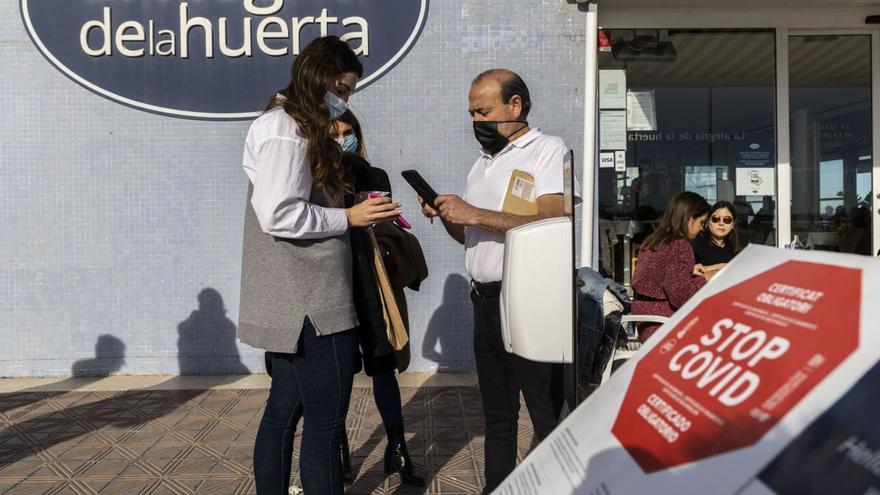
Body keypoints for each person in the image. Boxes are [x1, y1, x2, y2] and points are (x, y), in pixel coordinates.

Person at [238, 36, 401, 495]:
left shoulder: (287, 125)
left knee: (282, 417)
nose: (345, 102)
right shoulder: (285, 131)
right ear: (322, 80)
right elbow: (278, 214)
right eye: (344, 90)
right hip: (312, 305)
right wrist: (348, 216)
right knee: (326, 427)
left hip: (297, 302)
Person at [419, 68, 573, 494]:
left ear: (515, 105)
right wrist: (450, 216)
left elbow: (553, 219)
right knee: (497, 413)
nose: (476, 122)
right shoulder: (483, 163)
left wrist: (475, 213)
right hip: (485, 300)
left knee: (545, 412)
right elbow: (471, 235)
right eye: (471, 113)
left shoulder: (547, 150)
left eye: (483, 112)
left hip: (530, 299)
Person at [333, 110, 425, 487]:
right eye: (336, 133)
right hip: (335, 281)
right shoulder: (315, 177)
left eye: (349, 132)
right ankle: (339, 451)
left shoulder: (374, 175)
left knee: (383, 361)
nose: (343, 139)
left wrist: (389, 219)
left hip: (372, 281)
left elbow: (385, 223)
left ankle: (398, 446)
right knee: (336, 372)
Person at [631, 191, 711, 342]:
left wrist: (690, 271)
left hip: (645, 323)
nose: (702, 228)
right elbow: (681, 296)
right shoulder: (680, 245)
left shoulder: (653, 241)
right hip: (665, 326)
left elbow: (653, 277)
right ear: (689, 218)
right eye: (702, 222)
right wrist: (705, 279)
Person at [692, 200, 739, 273]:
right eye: (716, 219)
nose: (721, 223)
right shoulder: (696, 243)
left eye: (727, 220)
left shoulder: (735, 248)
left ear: (733, 224)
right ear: (707, 222)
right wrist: (722, 266)